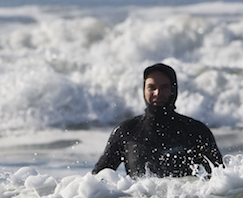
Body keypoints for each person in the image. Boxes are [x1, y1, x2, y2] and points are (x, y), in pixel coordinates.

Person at [92, 63, 223, 178]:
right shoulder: (126, 132)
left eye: (164, 87)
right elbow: (96, 182)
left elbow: (224, 183)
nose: (157, 93)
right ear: (144, 90)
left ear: (174, 89)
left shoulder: (196, 131)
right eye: (151, 87)